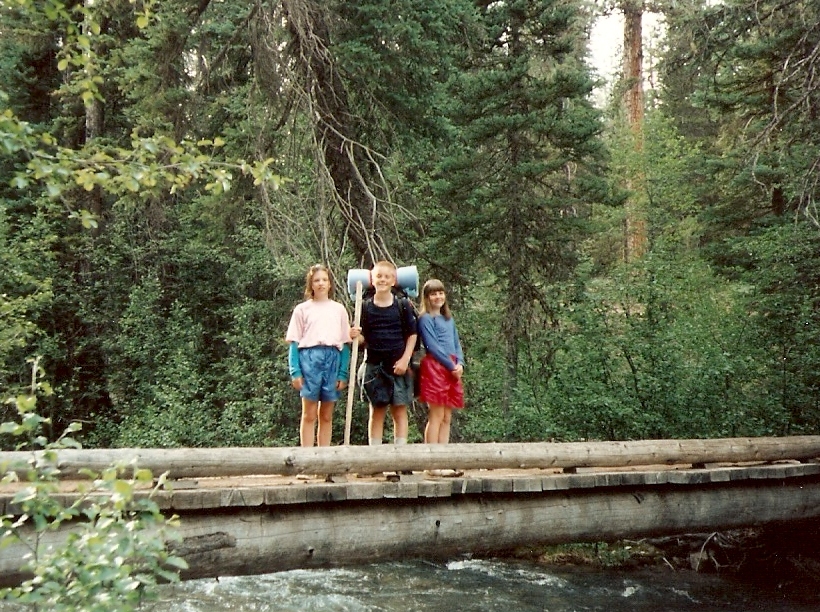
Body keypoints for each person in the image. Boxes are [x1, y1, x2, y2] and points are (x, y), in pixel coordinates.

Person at [286, 264, 353, 447]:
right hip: (309, 360)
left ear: (330, 284)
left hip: (332, 359)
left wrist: (342, 373)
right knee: (309, 414)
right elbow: (294, 341)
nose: (321, 283)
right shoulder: (302, 309)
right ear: (311, 284)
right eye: (317, 280)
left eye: (324, 280)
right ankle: (307, 460)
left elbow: (345, 343)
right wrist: (295, 371)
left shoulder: (338, 309)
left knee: (326, 415)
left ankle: (324, 459)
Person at [358, 260, 418, 446]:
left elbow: (412, 334)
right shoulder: (365, 307)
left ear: (393, 280)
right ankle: (374, 459)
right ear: (372, 280)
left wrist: (405, 360)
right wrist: (354, 335)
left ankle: (400, 458)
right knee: (376, 411)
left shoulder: (403, 305)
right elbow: (362, 340)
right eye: (378, 276)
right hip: (375, 367)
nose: (382, 280)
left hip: (398, 366)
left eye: (386, 276)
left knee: (399, 411)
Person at [417, 278, 464, 444]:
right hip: (435, 367)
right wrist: (451, 365)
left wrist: (460, 364)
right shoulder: (426, 319)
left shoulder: (448, 318)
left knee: (446, 416)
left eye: (440, 293)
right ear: (427, 297)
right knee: (436, 415)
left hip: (452, 368)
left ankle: (444, 459)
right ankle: (432, 462)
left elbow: (456, 343)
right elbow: (432, 346)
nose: (438, 297)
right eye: (433, 294)